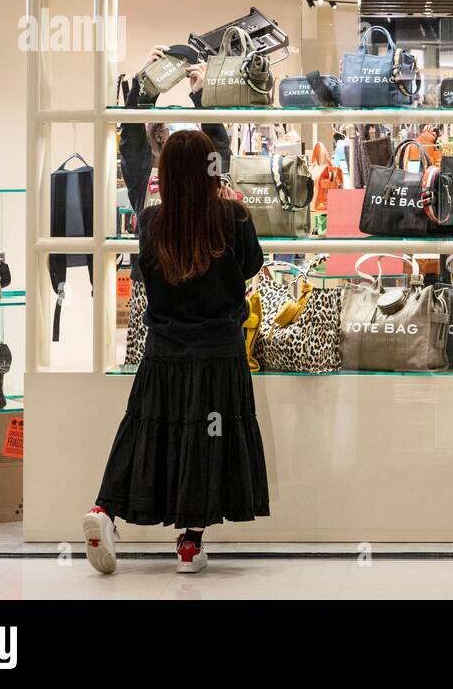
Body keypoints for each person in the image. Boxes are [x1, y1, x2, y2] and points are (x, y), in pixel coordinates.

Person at [83, 129, 269, 574]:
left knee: (145, 432)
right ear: (212, 169)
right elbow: (251, 266)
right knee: (206, 441)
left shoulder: (150, 223)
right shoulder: (234, 218)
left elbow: (147, 277)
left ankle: (105, 510)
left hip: (163, 352)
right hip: (218, 354)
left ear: (164, 175)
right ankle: (189, 545)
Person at [119, 45, 231, 365]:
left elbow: (220, 156)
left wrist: (202, 99)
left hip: (200, 297)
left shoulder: (207, 178)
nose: (179, 141)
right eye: (170, 133)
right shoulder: (145, 176)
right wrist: (145, 88)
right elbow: (130, 141)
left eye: (188, 133)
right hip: (155, 301)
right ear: (157, 139)